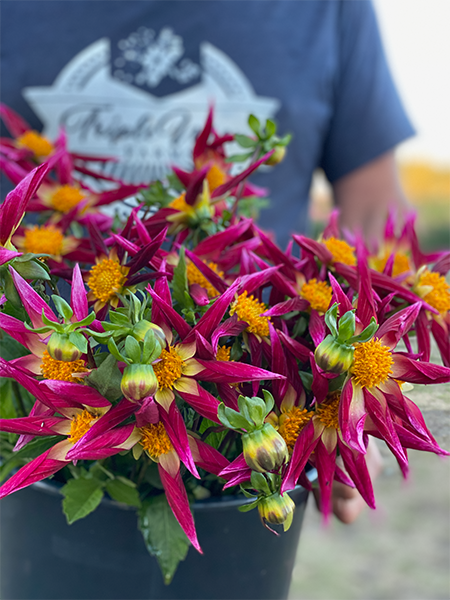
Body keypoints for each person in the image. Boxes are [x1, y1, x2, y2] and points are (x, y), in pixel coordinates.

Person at [0, 0, 412, 520]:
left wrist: (352, 410)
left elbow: (376, 218)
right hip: (31, 394)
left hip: (260, 383)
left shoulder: (327, 9)